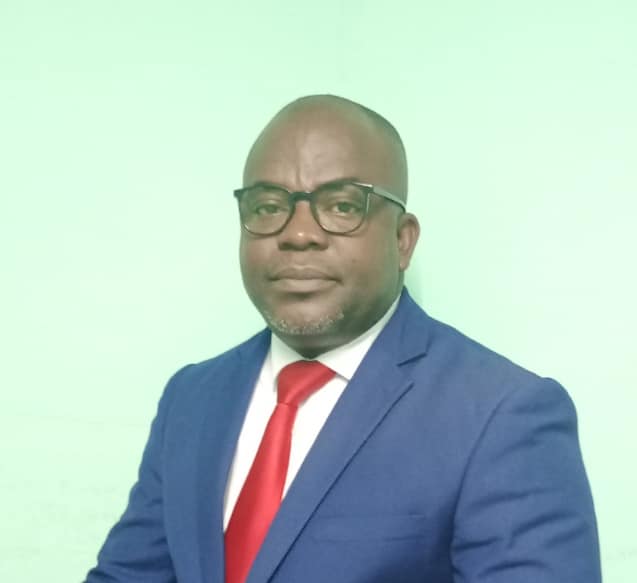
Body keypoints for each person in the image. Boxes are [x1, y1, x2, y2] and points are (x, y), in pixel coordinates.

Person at [85, 95, 601, 583]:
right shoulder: (192, 397)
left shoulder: (502, 415)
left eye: (342, 206)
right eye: (267, 207)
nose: (298, 233)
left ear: (402, 240)